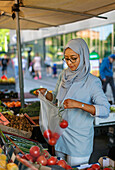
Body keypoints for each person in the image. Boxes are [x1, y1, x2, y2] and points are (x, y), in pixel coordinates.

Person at [38, 38, 110, 166]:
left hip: (79, 140)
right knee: (59, 167)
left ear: (83, 57)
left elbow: (105, 109)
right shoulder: (64, 75)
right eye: (66, 59)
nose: (69, 63)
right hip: (60, 134)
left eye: (73, 58)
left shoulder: (92, 81)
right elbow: (55, 97)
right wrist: (46, 94)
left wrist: (78, 105)